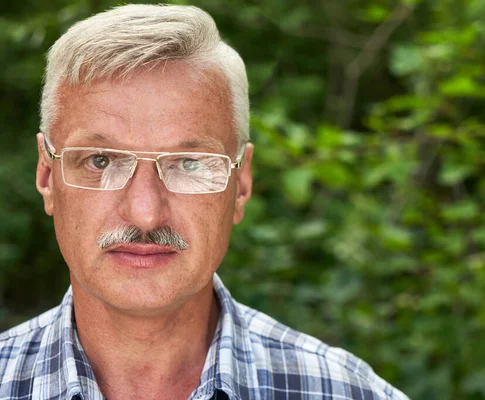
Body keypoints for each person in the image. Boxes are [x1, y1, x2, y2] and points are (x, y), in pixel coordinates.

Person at [0, 4, 408, 400]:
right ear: (46, 176)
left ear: (242, 184)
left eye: (190, 163)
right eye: (100, 160)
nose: (145, 212)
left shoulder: (346, 391)